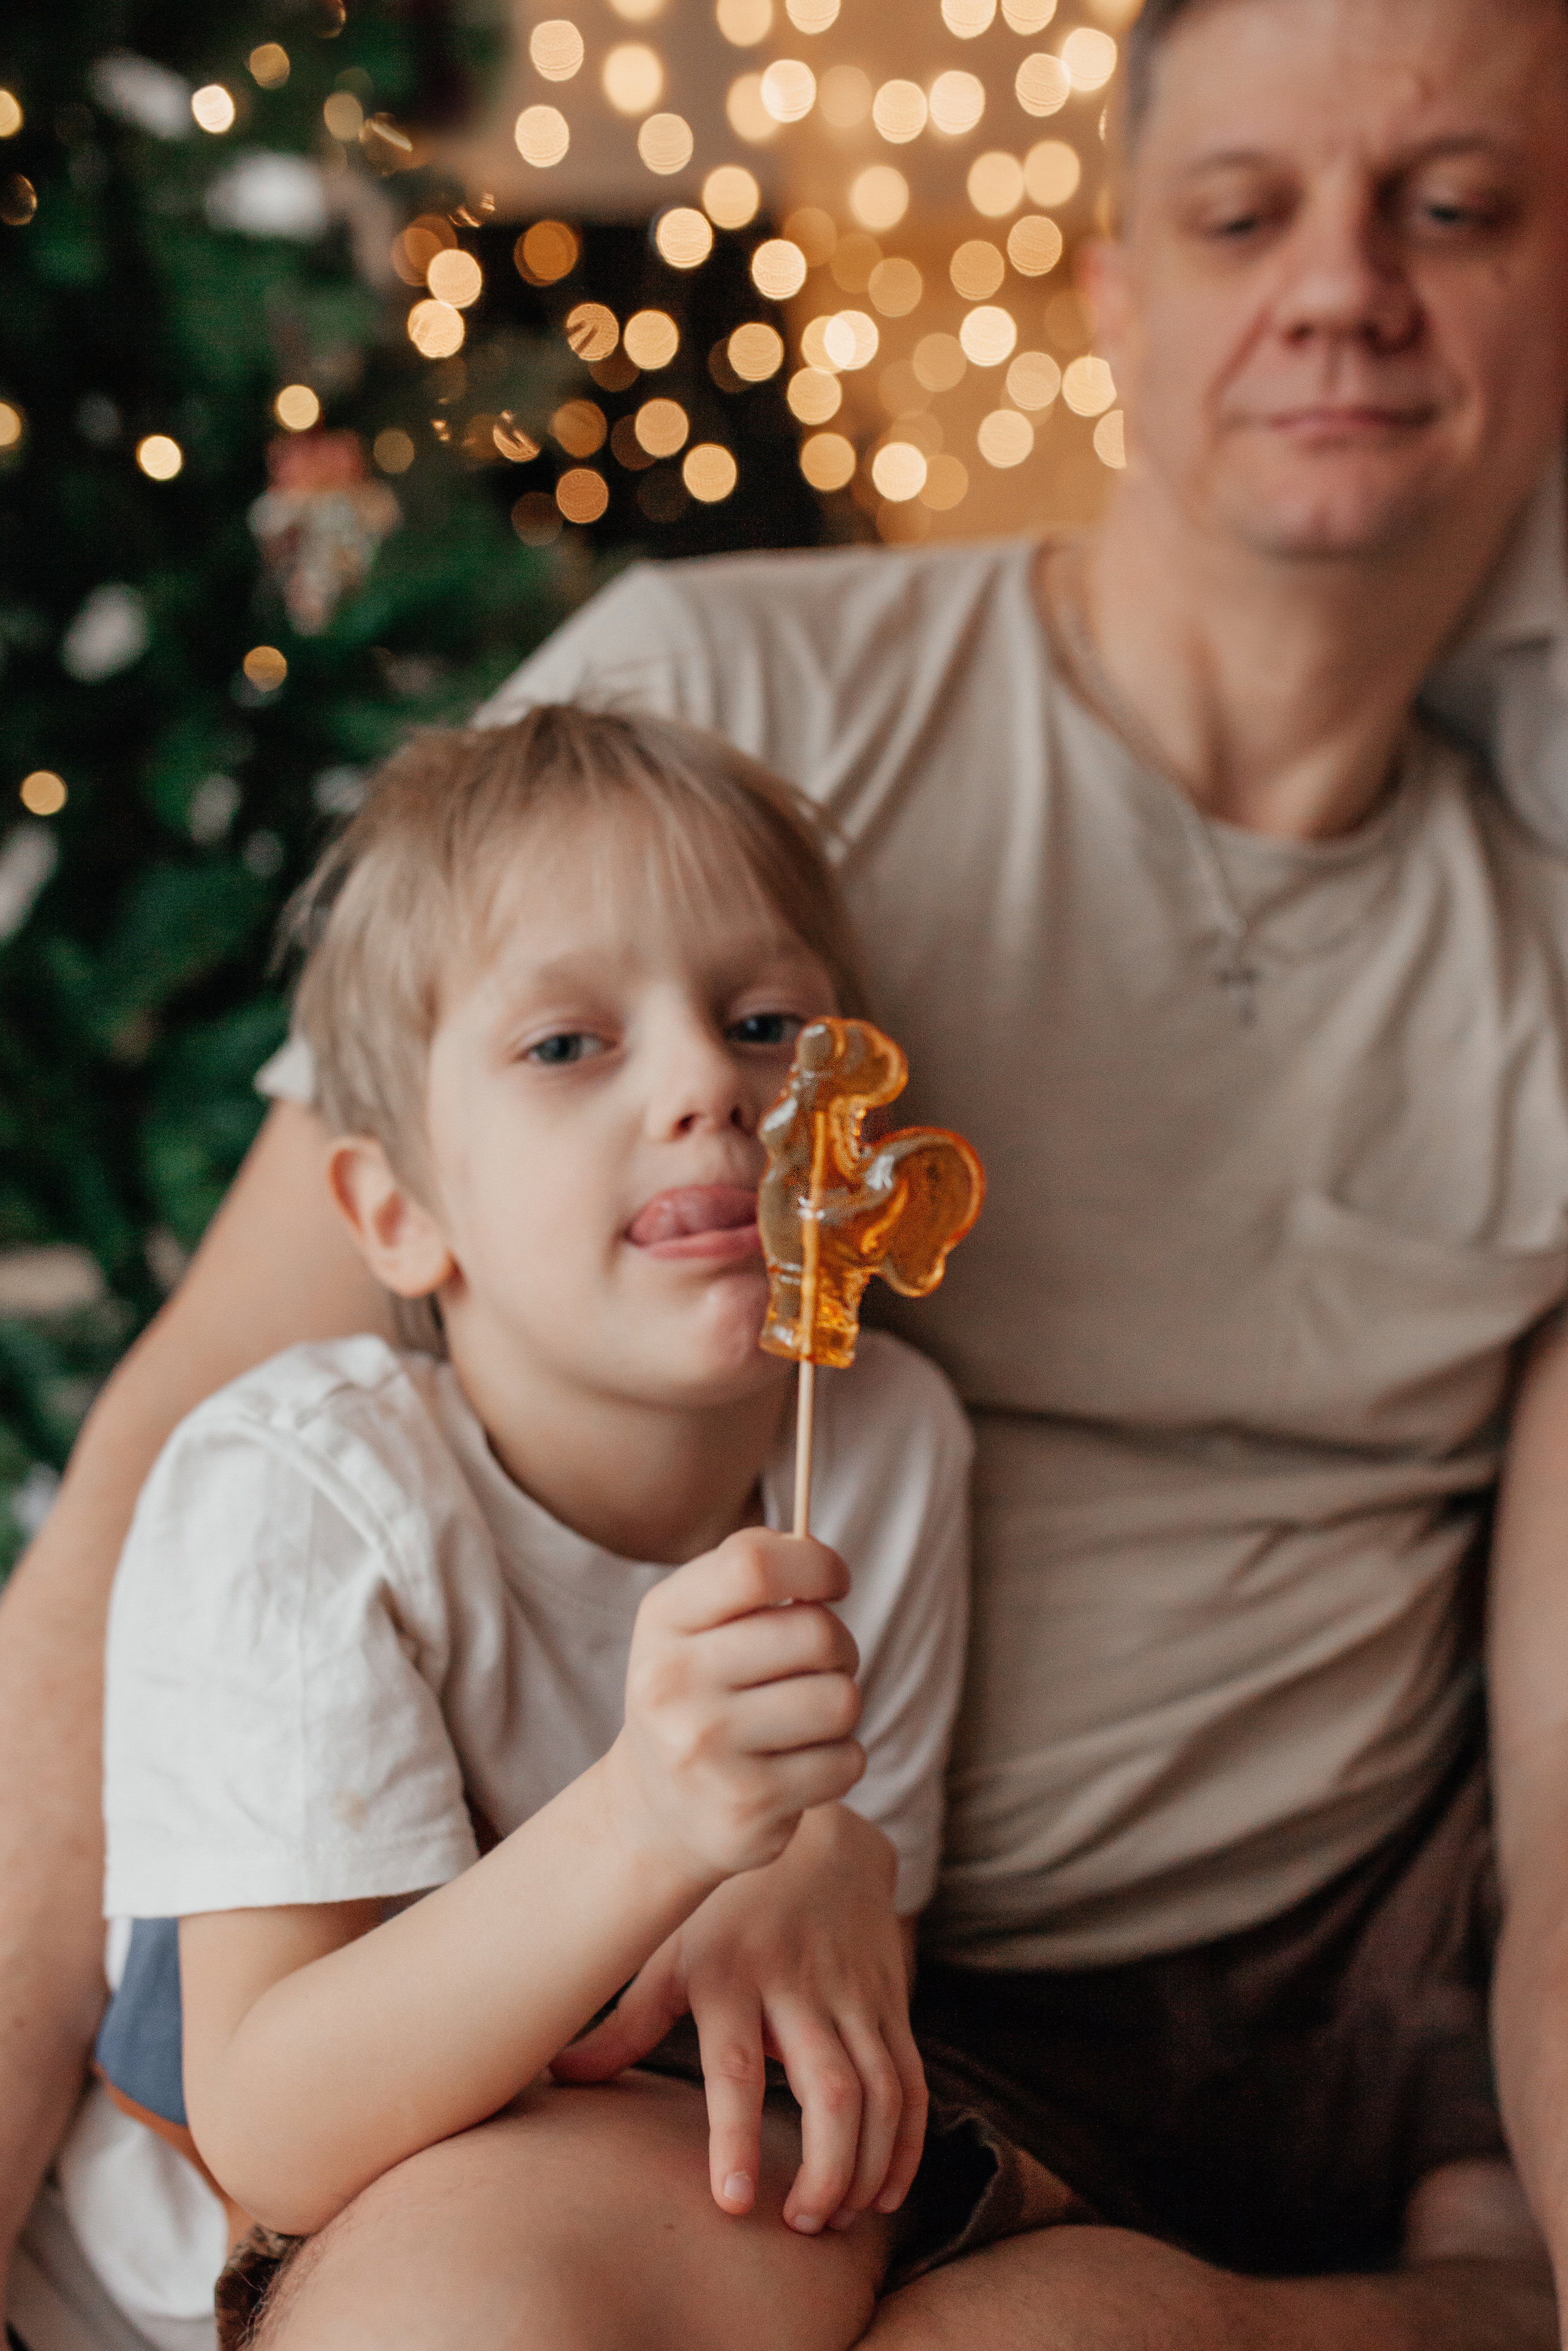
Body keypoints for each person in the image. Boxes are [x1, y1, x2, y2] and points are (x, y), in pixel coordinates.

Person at [7, 0, 1568, 2344]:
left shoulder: (1518, 927)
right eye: (1244, 213)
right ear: (1110, 284)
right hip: (671, 2060)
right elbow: (151, 1500)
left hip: (1197, 2008)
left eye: (1457, 207)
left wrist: (832, 1857)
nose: (1342, 284)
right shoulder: (716, 757)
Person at [67, 703, 976, 2350]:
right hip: (199, 2287)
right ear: (397, 1213)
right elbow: (272, 2138)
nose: (710, 1083)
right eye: (568, 1046)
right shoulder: (299, 1496)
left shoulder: (883, 1448)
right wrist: (649, 1824)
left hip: (587, 2198)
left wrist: (832, 1871)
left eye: (768, 1022)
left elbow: (833, 1983)